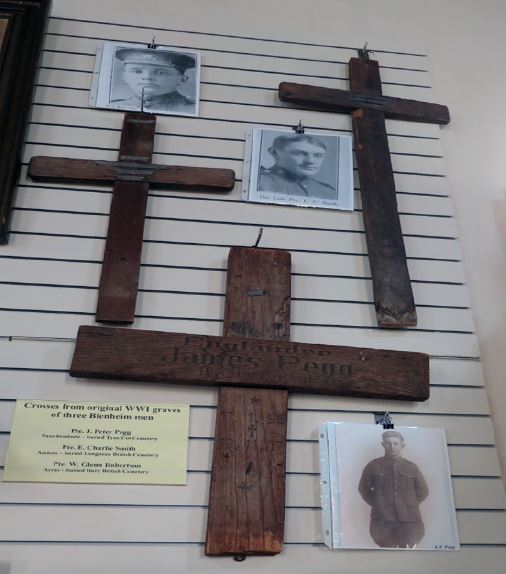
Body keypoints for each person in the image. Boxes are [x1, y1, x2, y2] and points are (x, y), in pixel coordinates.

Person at [358, 430, 429, 548]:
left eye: (395, 443)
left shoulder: (411, 467)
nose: (392, 447)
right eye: (388, 443)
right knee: (388, 552)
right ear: (383, 445)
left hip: (410, 521)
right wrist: (378, 503)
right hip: (383, 521)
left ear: (402, 445)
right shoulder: (373, 465)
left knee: (408, 551)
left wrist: (409, 504)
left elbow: (423, 490)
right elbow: (363, 488)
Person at [111, 48, 196, 114]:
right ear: (125, 77)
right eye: (137, 71)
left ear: (182, 79)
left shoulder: (191, 109)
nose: (147, 77)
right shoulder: (115, 105)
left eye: (161, 72)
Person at [258, 134, 337, 200]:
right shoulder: (259, 182)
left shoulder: (328, 191)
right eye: (299, 154)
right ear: (274, 153)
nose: (310, 161)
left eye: (318, 155)